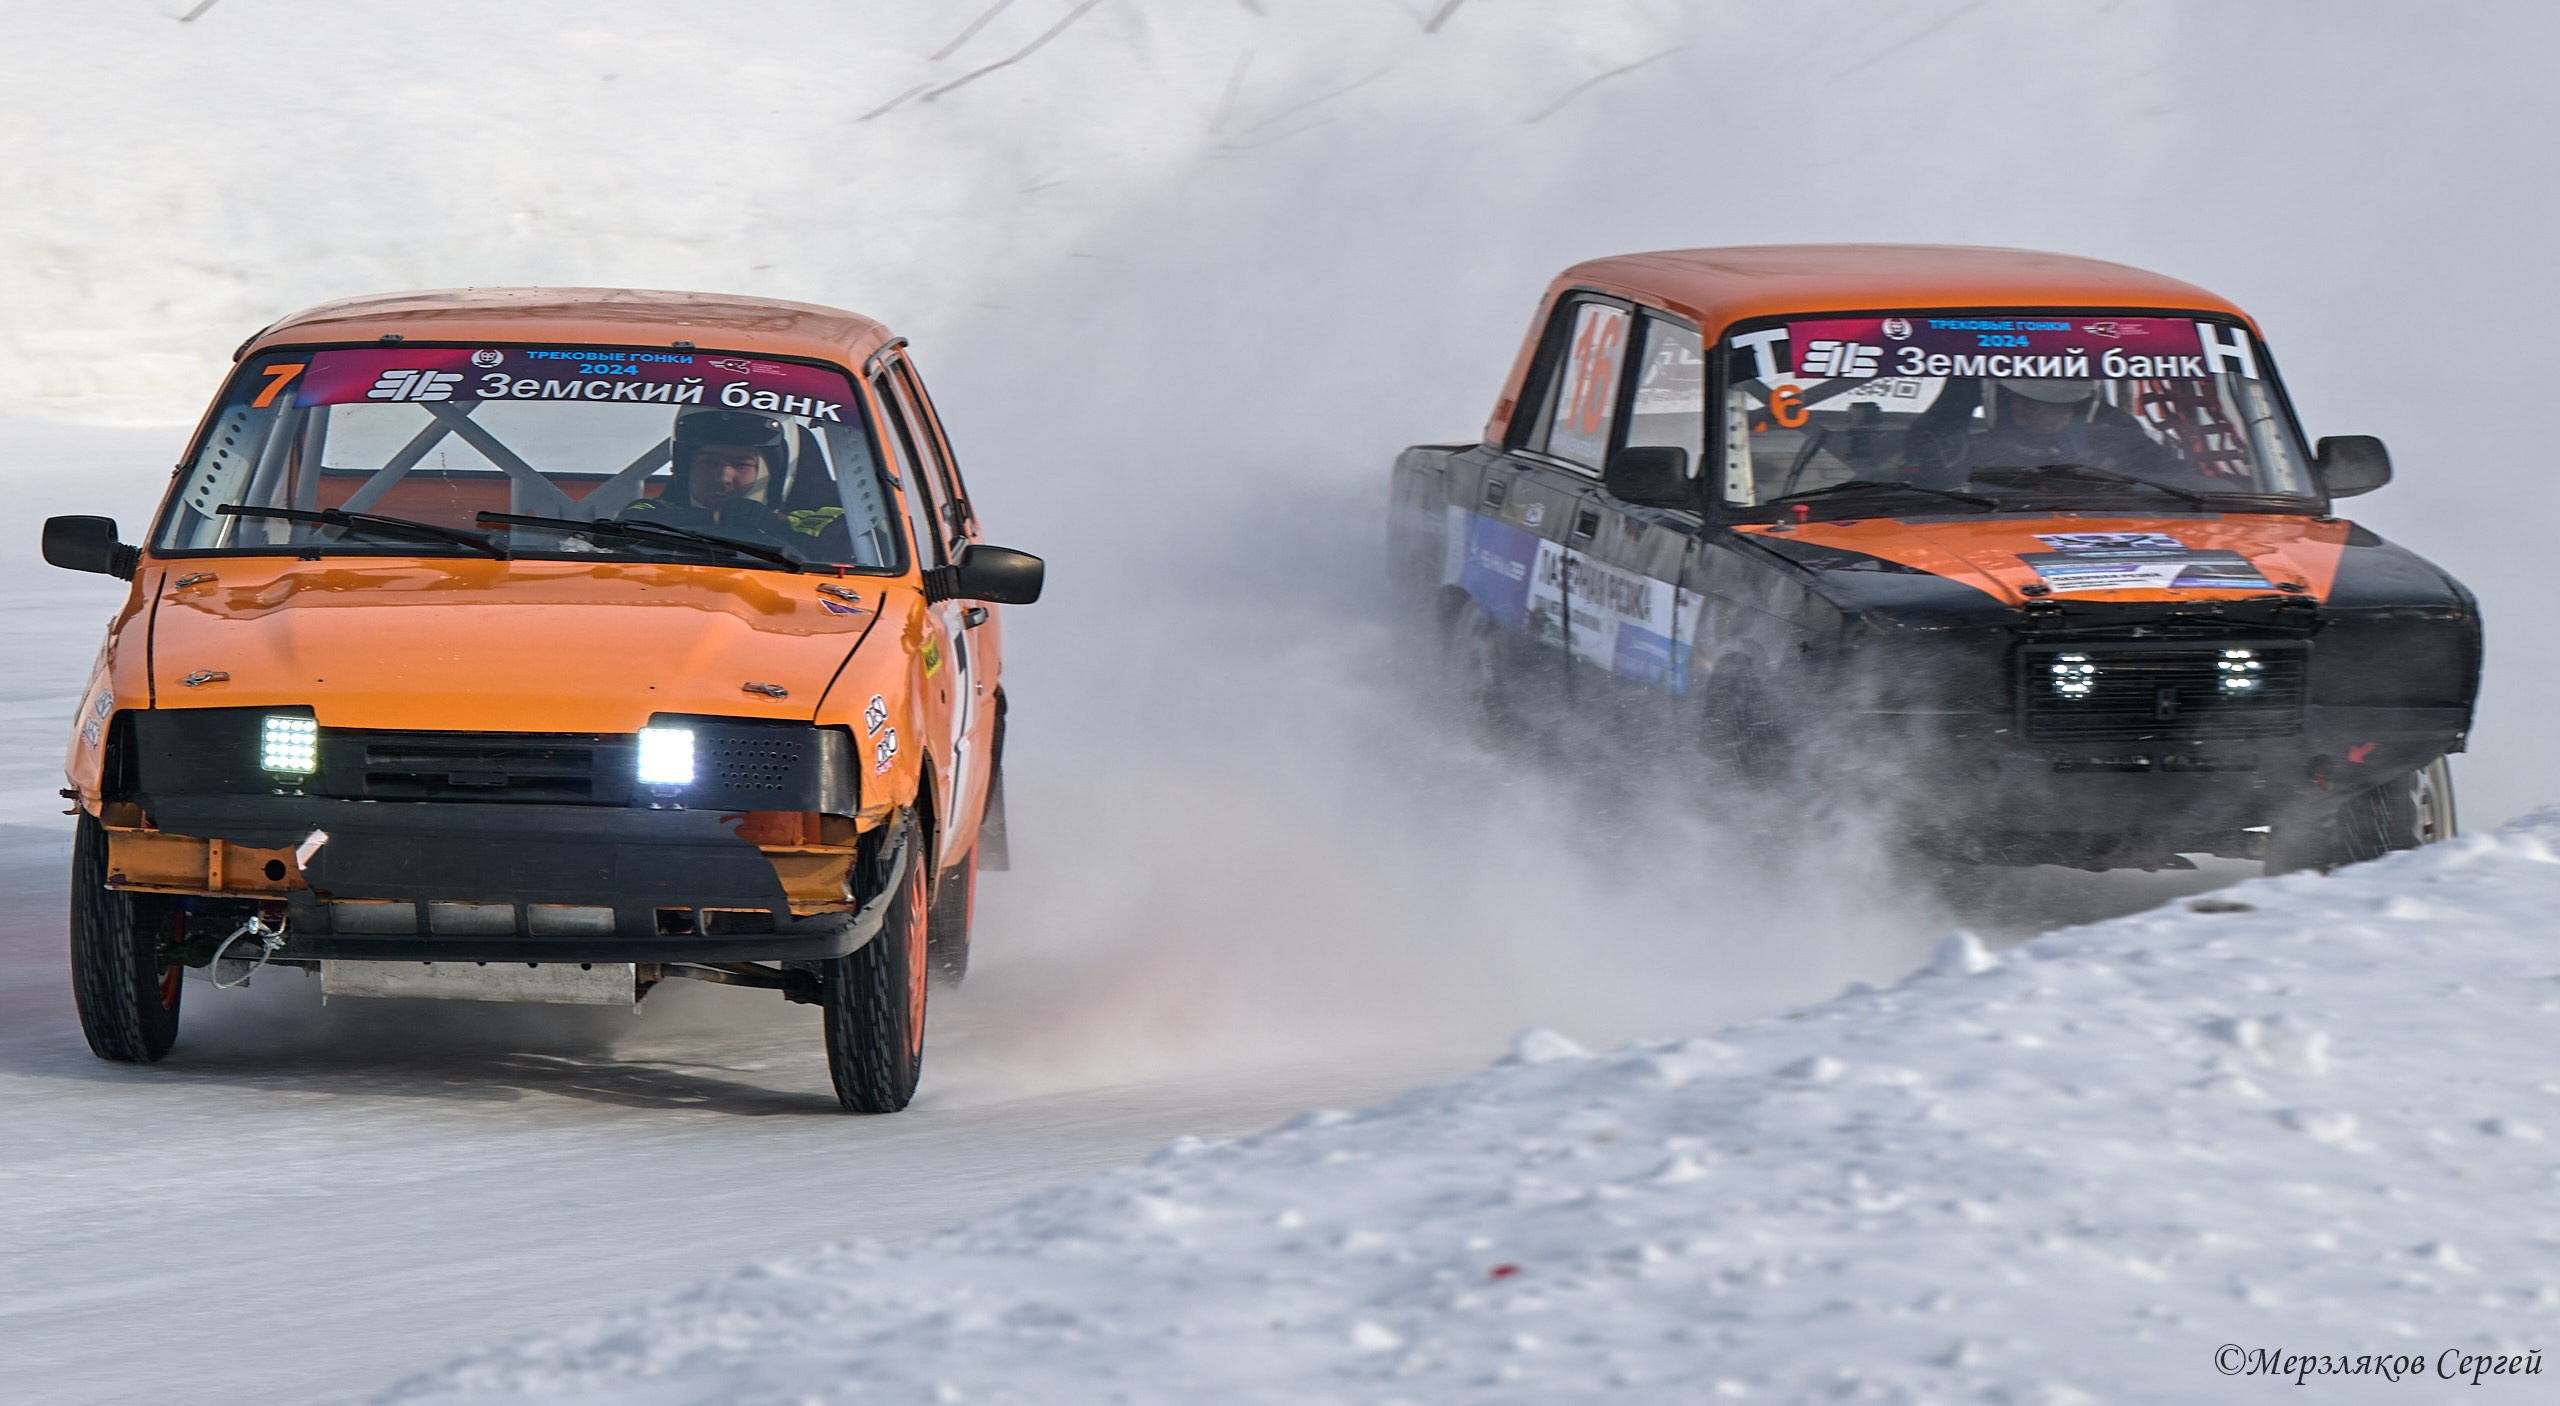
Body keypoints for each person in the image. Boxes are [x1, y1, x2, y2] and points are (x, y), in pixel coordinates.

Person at [626, 407, 849, 556]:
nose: (722, 478)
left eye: (742, 465)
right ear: (685, 468)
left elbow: (840, 554)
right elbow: (626, 524)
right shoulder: (652, 511)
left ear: (777, 474)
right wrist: (718, 518)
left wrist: (774, 526)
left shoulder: (826, 522)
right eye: (709, 463)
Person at [1962, 378, 2183, 482]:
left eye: (2036, 405)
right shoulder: (1980, 448)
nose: (2020, 409)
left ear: (2069, 407)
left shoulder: (2124, 441)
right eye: (2016, 401)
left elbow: (2179, 484)